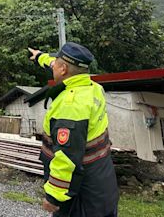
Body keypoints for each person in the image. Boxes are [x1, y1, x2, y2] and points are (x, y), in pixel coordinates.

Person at [28, 42, 119, 217]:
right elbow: (54, 63)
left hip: (82, 196)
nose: (53, 64)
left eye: (57, 63)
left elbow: (67, 157)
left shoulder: (71, 106)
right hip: (102, 185)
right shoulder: (93, 88)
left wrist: (53, 197)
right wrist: (39, 56)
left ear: (63, 70)